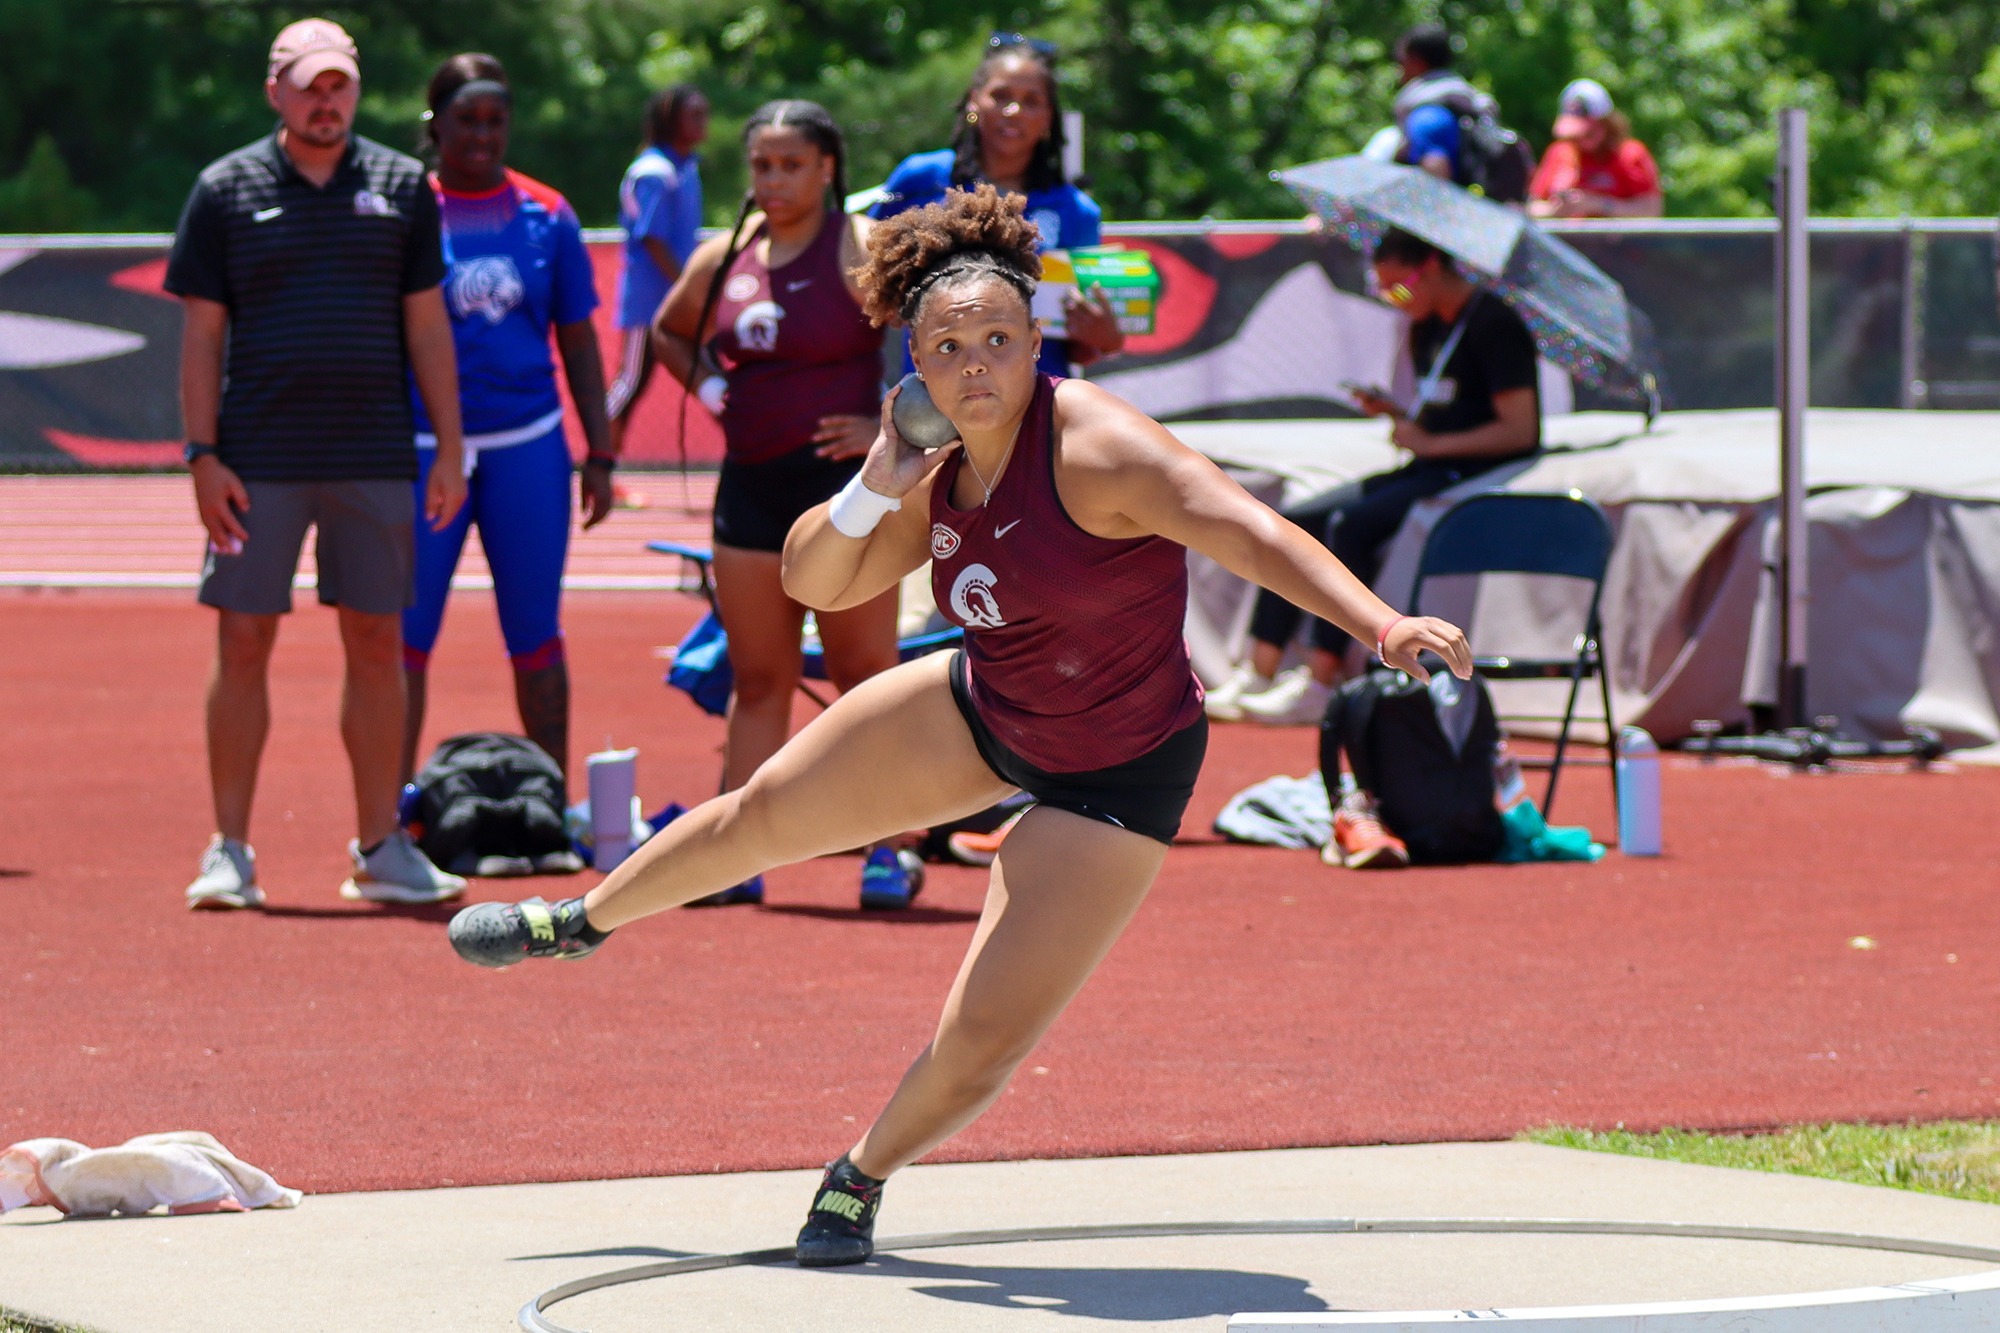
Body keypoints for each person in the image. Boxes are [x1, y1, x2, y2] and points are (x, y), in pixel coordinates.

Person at [446, 185, 1473, 1266]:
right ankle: (583, 920)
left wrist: (1378, 620)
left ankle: (860, 1174)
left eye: (997, 338)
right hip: (980, 709)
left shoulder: (1098, 448)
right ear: (914, 367)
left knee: (984, 1039)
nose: (974, 363)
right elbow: (816, 579)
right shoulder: (930, 474)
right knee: (761, 815)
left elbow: (1251, 532)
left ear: (1037, 343)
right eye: (947, 346)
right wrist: (877, 475)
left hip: (1116, 776)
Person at [165, 17, 469, 910]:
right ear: (277, 93)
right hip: (256, 459)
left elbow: (426, 324)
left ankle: (380, 845)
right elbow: (200, 336)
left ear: (356, 90)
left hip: (373, 453)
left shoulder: (405, 184)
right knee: (244, 638)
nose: (325, 99)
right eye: (309, 85)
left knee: (377, 642)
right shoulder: (223, 189)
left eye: (339, 84)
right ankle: (230, 850)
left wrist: (448, 445)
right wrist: (201, 454)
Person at [649, 99, 914, 909]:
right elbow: (670, 333)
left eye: (790, 164)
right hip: (751, 490)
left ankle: (891, 850)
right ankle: (735, 855)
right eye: (761, 165)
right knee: (759, 678)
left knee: (863, 676)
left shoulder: (862, 248)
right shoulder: (725, 255)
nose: (772, 180)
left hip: (846, 495)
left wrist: (885, 420)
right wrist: (717, 386)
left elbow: (937, 334)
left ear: (828, 167)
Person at [1208, 226, 1541, 727]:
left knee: (1352, 524)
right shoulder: (1428, 325)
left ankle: (1321, 681)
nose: (1392, 301)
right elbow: (1449, 408)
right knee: (1292, 519)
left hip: (1470, 469)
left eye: (1399, 289)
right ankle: (1260, 670)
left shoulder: (1495, 323)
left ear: (1429, 268)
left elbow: (1520, 430)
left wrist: (1432, 443)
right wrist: (1397, 413)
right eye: (1383, 291)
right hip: (1431, 460)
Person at [399, 54, 614, 804]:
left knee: (533, 629)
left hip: (529, 443)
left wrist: (601, 450)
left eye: (496, 120)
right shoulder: (407, 209)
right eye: (467, 120)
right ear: (436, 126)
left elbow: (578, 337)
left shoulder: (546, 213)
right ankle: (389, 812)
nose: (483, 135)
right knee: (405, 635)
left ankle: (549, 802)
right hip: (426, 448)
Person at [869, 34, 1124, 374]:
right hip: (933, 401)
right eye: (1000, 96)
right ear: (975, 101)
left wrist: (1105, 338)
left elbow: (1079, 349)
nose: (1013, 111)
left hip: (1031, 408)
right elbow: (865, 282)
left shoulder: (1077, 211)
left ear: (1049, 117)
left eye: (1031, 101)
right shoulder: (919, 177)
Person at [606, 84, 710, 456]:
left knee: (712, 375)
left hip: (678, 296)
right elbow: (651, 237)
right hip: (649, 299)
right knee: (631, 382)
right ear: (671, 120)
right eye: (694, 115)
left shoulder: (686, 167)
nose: (704, 123)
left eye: (705, 114)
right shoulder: (654, 171)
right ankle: (600, 459)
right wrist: (688, 284)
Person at [1528, 79, 1663, 220]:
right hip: (1563, 240)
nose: (1580, 139)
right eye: (1574, 134)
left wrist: (1597, 204)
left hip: (1618, 241)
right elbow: (1531, 206)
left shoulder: (1630, 154)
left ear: (1606, 124)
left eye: (1587, 133)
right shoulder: (1559, 152)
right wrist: (1556, 210)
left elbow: (1652, 210)